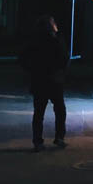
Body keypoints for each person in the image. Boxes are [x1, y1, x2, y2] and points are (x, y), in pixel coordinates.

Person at [19, 15, 69, 152]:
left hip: (39, 80)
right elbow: (64, 57)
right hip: (54, 80)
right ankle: (59, 137)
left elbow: (23, 58)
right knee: (59, 110)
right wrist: (60, 71)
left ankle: (38, 141)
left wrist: (32, 70)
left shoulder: (34, 41)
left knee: (39, 113)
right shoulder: (56, 39)